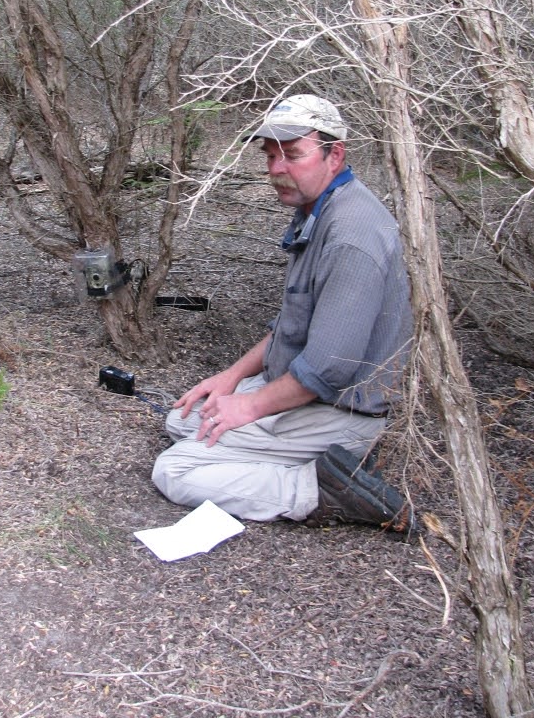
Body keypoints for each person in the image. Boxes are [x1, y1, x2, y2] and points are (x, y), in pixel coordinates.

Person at [152, 94, 416, 532]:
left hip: (342, 412)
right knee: (183, 421)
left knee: (175, 470)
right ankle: (314, 465)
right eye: (271, 156)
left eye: (292, 155)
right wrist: (232, 377)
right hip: (305, 393)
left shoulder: (351, 235)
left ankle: (321, 490)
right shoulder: (319, 208)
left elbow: (327, 369)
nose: (277, 169)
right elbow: (293, 326)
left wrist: (250, 406)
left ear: (335, 155)